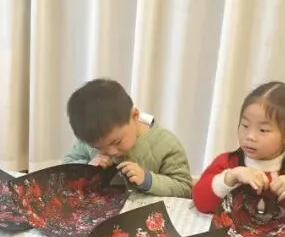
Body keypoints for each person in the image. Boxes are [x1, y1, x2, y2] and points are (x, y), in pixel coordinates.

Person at [192, 81, 285, 227]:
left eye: (263, 130)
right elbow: (200, 202)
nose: (250, 136)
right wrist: (231, 177)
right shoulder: (228, 163)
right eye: (245, 125)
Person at [62, 78, 194, 198]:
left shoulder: (166, 145)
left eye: (117, 142)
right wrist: (86, 168)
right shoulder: (92, 138)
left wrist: (147, 180)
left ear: (134, 116)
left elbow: (184, 188)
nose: (111, 152)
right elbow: (66, 166)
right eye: (99, 148)